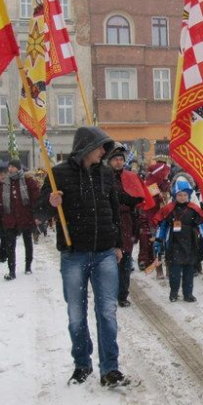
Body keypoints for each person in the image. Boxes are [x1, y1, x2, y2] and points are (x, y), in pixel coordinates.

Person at [35, 126, 128, 387]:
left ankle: (110, 368)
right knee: (76, 312)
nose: (104, 152)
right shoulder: (58, 175)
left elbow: (114, 211)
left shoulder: (107, 175)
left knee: (107, 311)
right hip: (73, 254)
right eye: (101, 147)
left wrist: (118, 244)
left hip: (105, 254)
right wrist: (49, 203)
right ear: (87, 147)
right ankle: (82, 363)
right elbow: (39, 212)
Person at [153, 178, 203, 303]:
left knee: (189, 272)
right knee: (174, 272)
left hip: (190, 244)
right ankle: (174, 292)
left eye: (185, 195)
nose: (183, 197)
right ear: (175, 195)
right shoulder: (169, 209)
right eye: (180, 195)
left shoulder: (194, 209)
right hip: (174, 244)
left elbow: (201, 225)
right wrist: (158, 240)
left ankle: (188, 294)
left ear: (189, 195)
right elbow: (162, 226)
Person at [106, 144, 149, 307]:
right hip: (109, 221)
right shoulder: (104, 177)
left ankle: (122, 295)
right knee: (109, 262)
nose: (118, 162)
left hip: (126, 222)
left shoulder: (131, 177)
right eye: (115, 159)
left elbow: (140, 199)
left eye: (120, 160)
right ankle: (110, 294)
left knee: (125, 261)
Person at [0, 159, 39, 281]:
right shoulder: (6, 183)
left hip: (25, 216)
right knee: (10, 245)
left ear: (18, 168)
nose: (10, 169)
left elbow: (35, 199)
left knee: (28, 242)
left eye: (13, 166)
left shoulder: (28, 181)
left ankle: (28, 266)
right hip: (10, 217)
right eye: (9, 166)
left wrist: (37, 215)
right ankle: (11, 271)